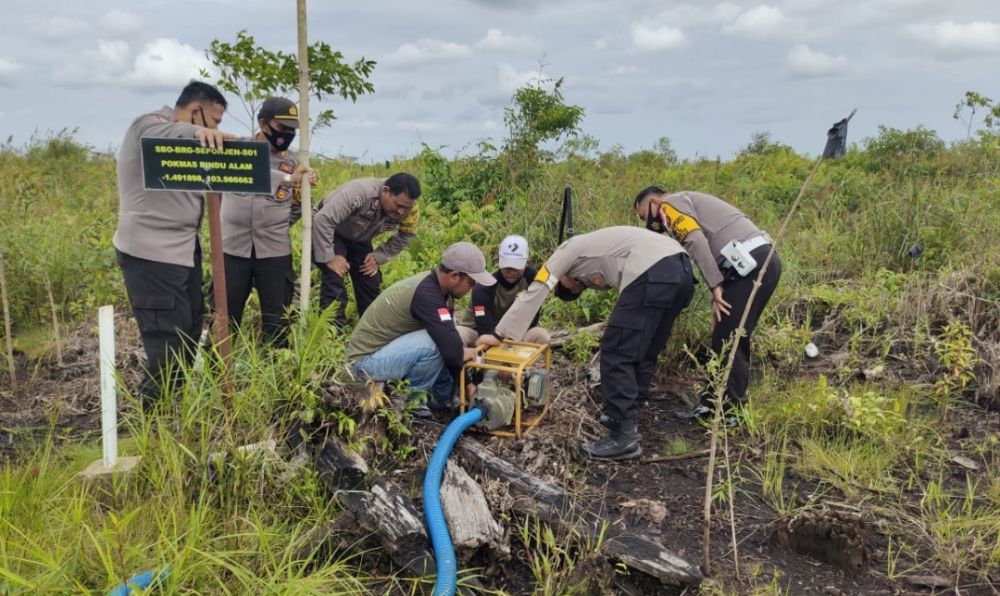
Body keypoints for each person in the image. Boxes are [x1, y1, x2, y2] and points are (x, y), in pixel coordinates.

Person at [496, 227, 694, 460]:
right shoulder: (597, 249)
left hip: (653, 269)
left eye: (576, 285)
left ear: (563, 277)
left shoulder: (565, 251)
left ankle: (623, 436)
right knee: (645, 346)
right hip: (682, 271)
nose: (581, 286)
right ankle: (631, 410)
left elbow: (537, 289)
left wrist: (504, 335)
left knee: (615, 350)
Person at [113, 81, 234, 408]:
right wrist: (196, 134)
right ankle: (153, 426)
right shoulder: (149, 126)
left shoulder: (190, 146)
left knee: (190, 331)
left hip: (183, 253)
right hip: (150, 255)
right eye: (215, 121)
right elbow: (162, 133)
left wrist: (290, 180)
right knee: (165, 343)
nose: (216, 130)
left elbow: (238, 169)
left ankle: (174, 407)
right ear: (196, 111)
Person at [633, 187, 782, 422]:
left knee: (731, 338)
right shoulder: (687, 202)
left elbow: (694, 240)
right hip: (746, 266)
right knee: (724, 334)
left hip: (752, 264)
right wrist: (722, 285)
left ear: (653, 202)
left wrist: (715, 286)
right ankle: (712, 405)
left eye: (644, 215)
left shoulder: (668, 205)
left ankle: (731, 412)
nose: (649, 222)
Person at [346, 242, 496, 415]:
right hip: (365, 364)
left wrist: (467, 384)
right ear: (455, 275)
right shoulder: (426, 294)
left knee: (449, 336)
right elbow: (450, 350)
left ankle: (441, 399)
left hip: (386, 353)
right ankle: (412, 402)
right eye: (471, 282)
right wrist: (463, 361)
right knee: (435, 343)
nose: (473, 288)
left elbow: (451, 343)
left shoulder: (440, 291)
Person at [220, 97, 317, 344]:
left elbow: (298, 205)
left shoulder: (294, 164)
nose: (287, 134)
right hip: (232, 249)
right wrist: (285, 180)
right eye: (282, 127)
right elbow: (246, 172)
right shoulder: (235, 150)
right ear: (263, 124)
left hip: (274, 252)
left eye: (291, 130)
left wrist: (278, 221)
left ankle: (274, 367)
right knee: (223, 317)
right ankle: (219, 370)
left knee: (277, 321)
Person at [311, 174, 421, 327]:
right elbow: (322, 220)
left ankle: (371, 328)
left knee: (369, 275)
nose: (401, 212)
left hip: (360, 238)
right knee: (335, 275)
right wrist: (330, 257)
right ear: (385, 191)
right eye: (398, 206)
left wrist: (379, 256)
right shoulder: (360, 192)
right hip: (330, 231)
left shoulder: (410, 208)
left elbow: (407, 234)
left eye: (406, 208)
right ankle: (332, 330)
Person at [456, 234, 550, 347]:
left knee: (541, 336)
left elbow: (533, 316)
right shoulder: (484, 287)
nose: (511, 272)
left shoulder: (532, 279)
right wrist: (497, 342)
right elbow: (484, 326)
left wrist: (510, 340)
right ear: (499, 262)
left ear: (526, 263)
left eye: (516, 267)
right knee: (457, 335)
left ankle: (517, 361)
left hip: (512, 331)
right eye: (507, 267)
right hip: (478, 331)